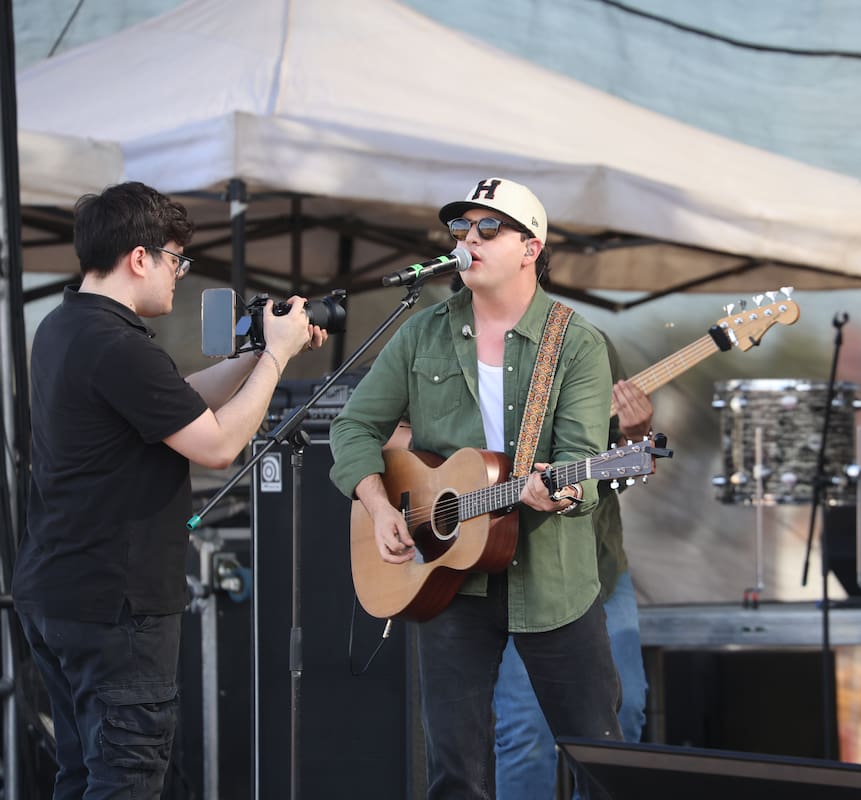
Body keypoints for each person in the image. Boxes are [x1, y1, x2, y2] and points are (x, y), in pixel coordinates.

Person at [12, 181, 326, 800]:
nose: (179, 275)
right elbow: (215, 445)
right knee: (125, 778)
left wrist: (259, 349)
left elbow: (173, 398)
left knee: (81, 777)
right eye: (175, 260)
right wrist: (277, 361)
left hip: (60, 594)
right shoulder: (118, 345)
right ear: (139, 257)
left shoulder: (65, 327)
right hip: (117, 607)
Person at [329, 177, 621, 799]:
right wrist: (379, 506)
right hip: (448, 577)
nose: (469, 239)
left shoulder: (575, 343)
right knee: (456, 772)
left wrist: (560, 489)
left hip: (553, 577)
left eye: (489, 228)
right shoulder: (421, 332)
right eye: (461, 229)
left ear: (530, 247)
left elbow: (581, 466)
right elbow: (354, 425)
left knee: (598, 759)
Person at [493, 346, 653, 799]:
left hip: (597, 564)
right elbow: (392, 433)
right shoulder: (453, 340)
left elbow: (623, 467)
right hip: (514, 567)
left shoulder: (589, 343)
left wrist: (637, 436)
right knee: (526, 731)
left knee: (625, 717)